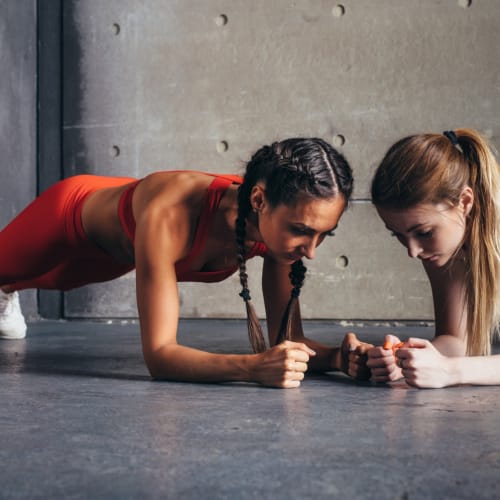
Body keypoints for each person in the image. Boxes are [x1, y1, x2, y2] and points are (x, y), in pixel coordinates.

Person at [0, 137, 372, 387]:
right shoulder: (170, 217)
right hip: (71, 215)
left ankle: (9, 288)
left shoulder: (278, 237)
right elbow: (160, 356)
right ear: (258, 201)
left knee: (56, 280)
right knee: (9, 269)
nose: (311, 251)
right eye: (302, 231)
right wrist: (251, 367)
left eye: (325, 235)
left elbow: (285, 340)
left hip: (123, 252)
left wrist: (338, 359)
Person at [368, 128, 500, 388]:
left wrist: (451, 371)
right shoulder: (444, 248)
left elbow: (453, 364)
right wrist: (403, 358)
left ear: (464, 201)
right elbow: (456, 340)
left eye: (424, 233)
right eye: (399, 236)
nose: (413, 251)